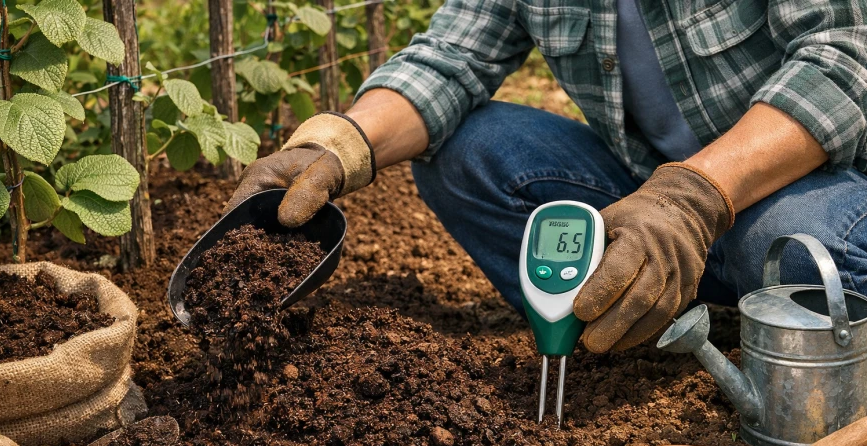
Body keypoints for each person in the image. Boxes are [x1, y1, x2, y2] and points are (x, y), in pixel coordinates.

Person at [227, 0, 867, 353]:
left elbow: (842, 60)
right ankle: (641, 306)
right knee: (469, 150)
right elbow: (450, 57)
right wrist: (342, 145)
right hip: (643, 202)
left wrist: (694, 198)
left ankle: (686, 288)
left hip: (802, 182)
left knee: (813, 254)